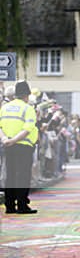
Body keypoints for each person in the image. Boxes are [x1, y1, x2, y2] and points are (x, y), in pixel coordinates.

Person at [0, 81, 39, 214]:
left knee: (10, 175)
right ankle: (22, 205)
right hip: (23, 146)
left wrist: (5, 139)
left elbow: (0, 127)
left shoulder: (5, 108)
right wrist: (14, 140)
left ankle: (9, 205)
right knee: (22, 175)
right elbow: (27, 129)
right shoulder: (28, 109)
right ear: (27, 95)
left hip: (8, 145)